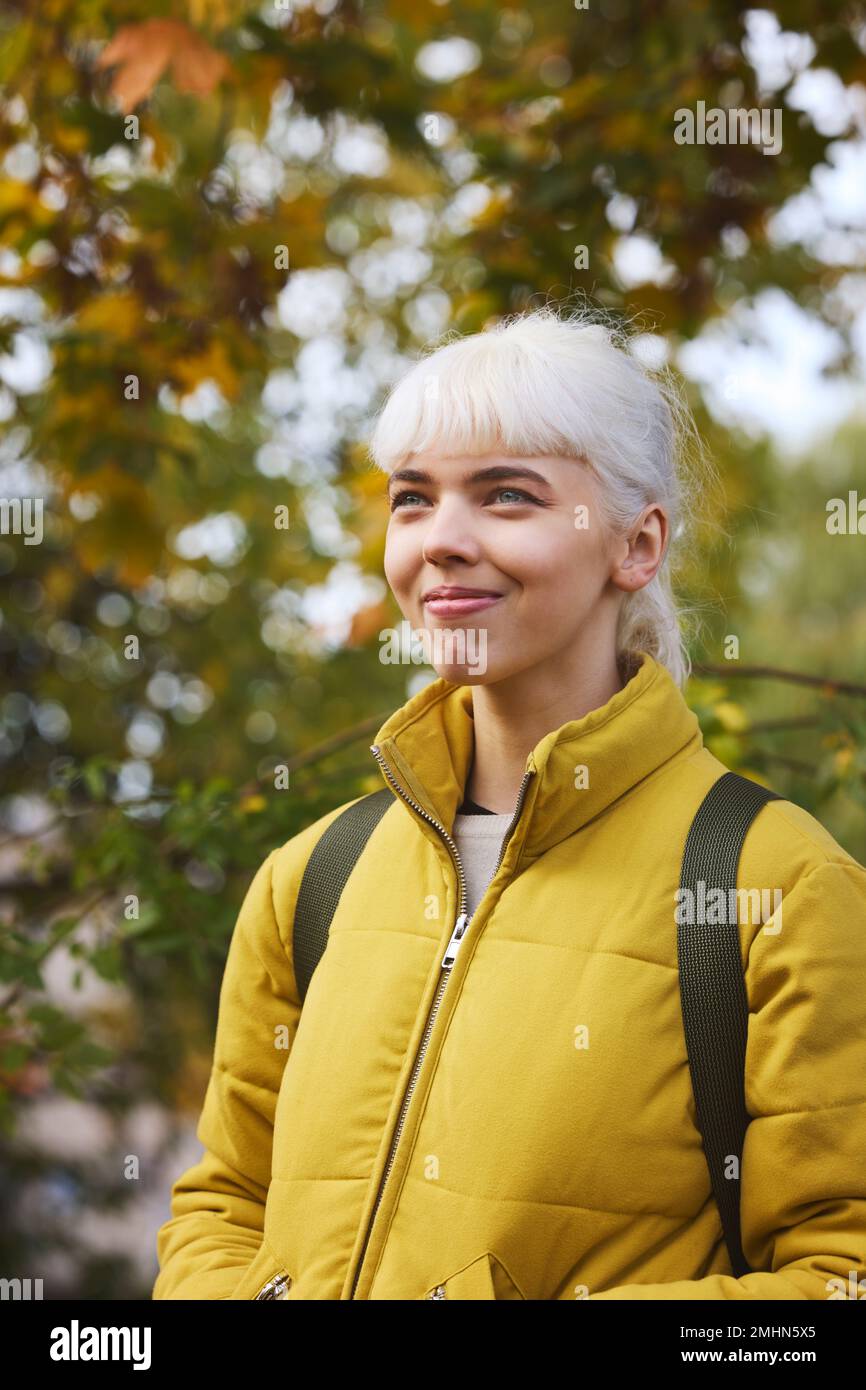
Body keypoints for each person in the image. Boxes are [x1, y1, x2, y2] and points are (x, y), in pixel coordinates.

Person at [152, 304, 866, 1300]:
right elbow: (224, 1204)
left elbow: (838, 1279)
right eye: (412, 498)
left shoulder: (776, 882)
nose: (440, 541)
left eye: (505, 496)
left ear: (635, 544)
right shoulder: (311, 879)